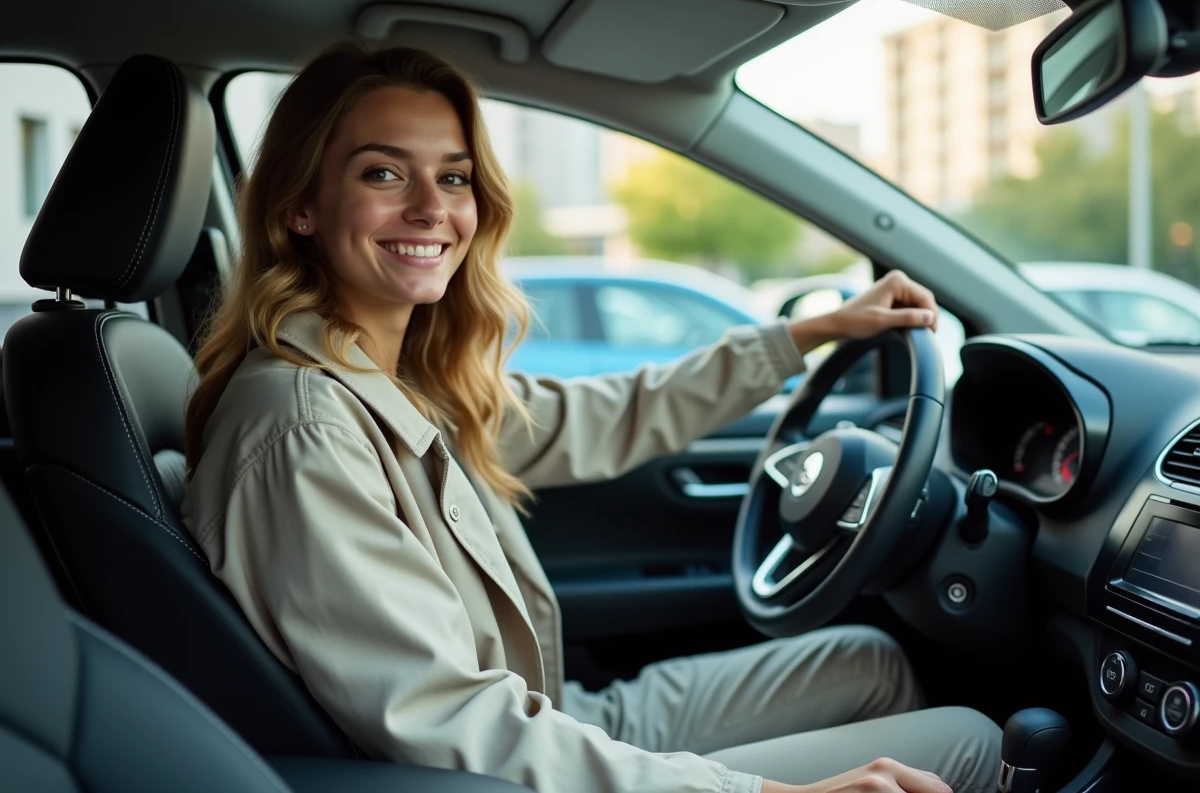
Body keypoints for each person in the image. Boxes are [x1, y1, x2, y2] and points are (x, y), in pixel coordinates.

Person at [181, 42, 1001, 793]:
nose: (433, 207)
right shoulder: (303, 427)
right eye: (384, 174)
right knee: (970, 742)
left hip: (557, 715)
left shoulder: (401, 383)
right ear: (300, 208)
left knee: (870, 660)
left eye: (455, 176)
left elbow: (615, 413)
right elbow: (450, 725)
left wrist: (810, 332)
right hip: (501, 764)